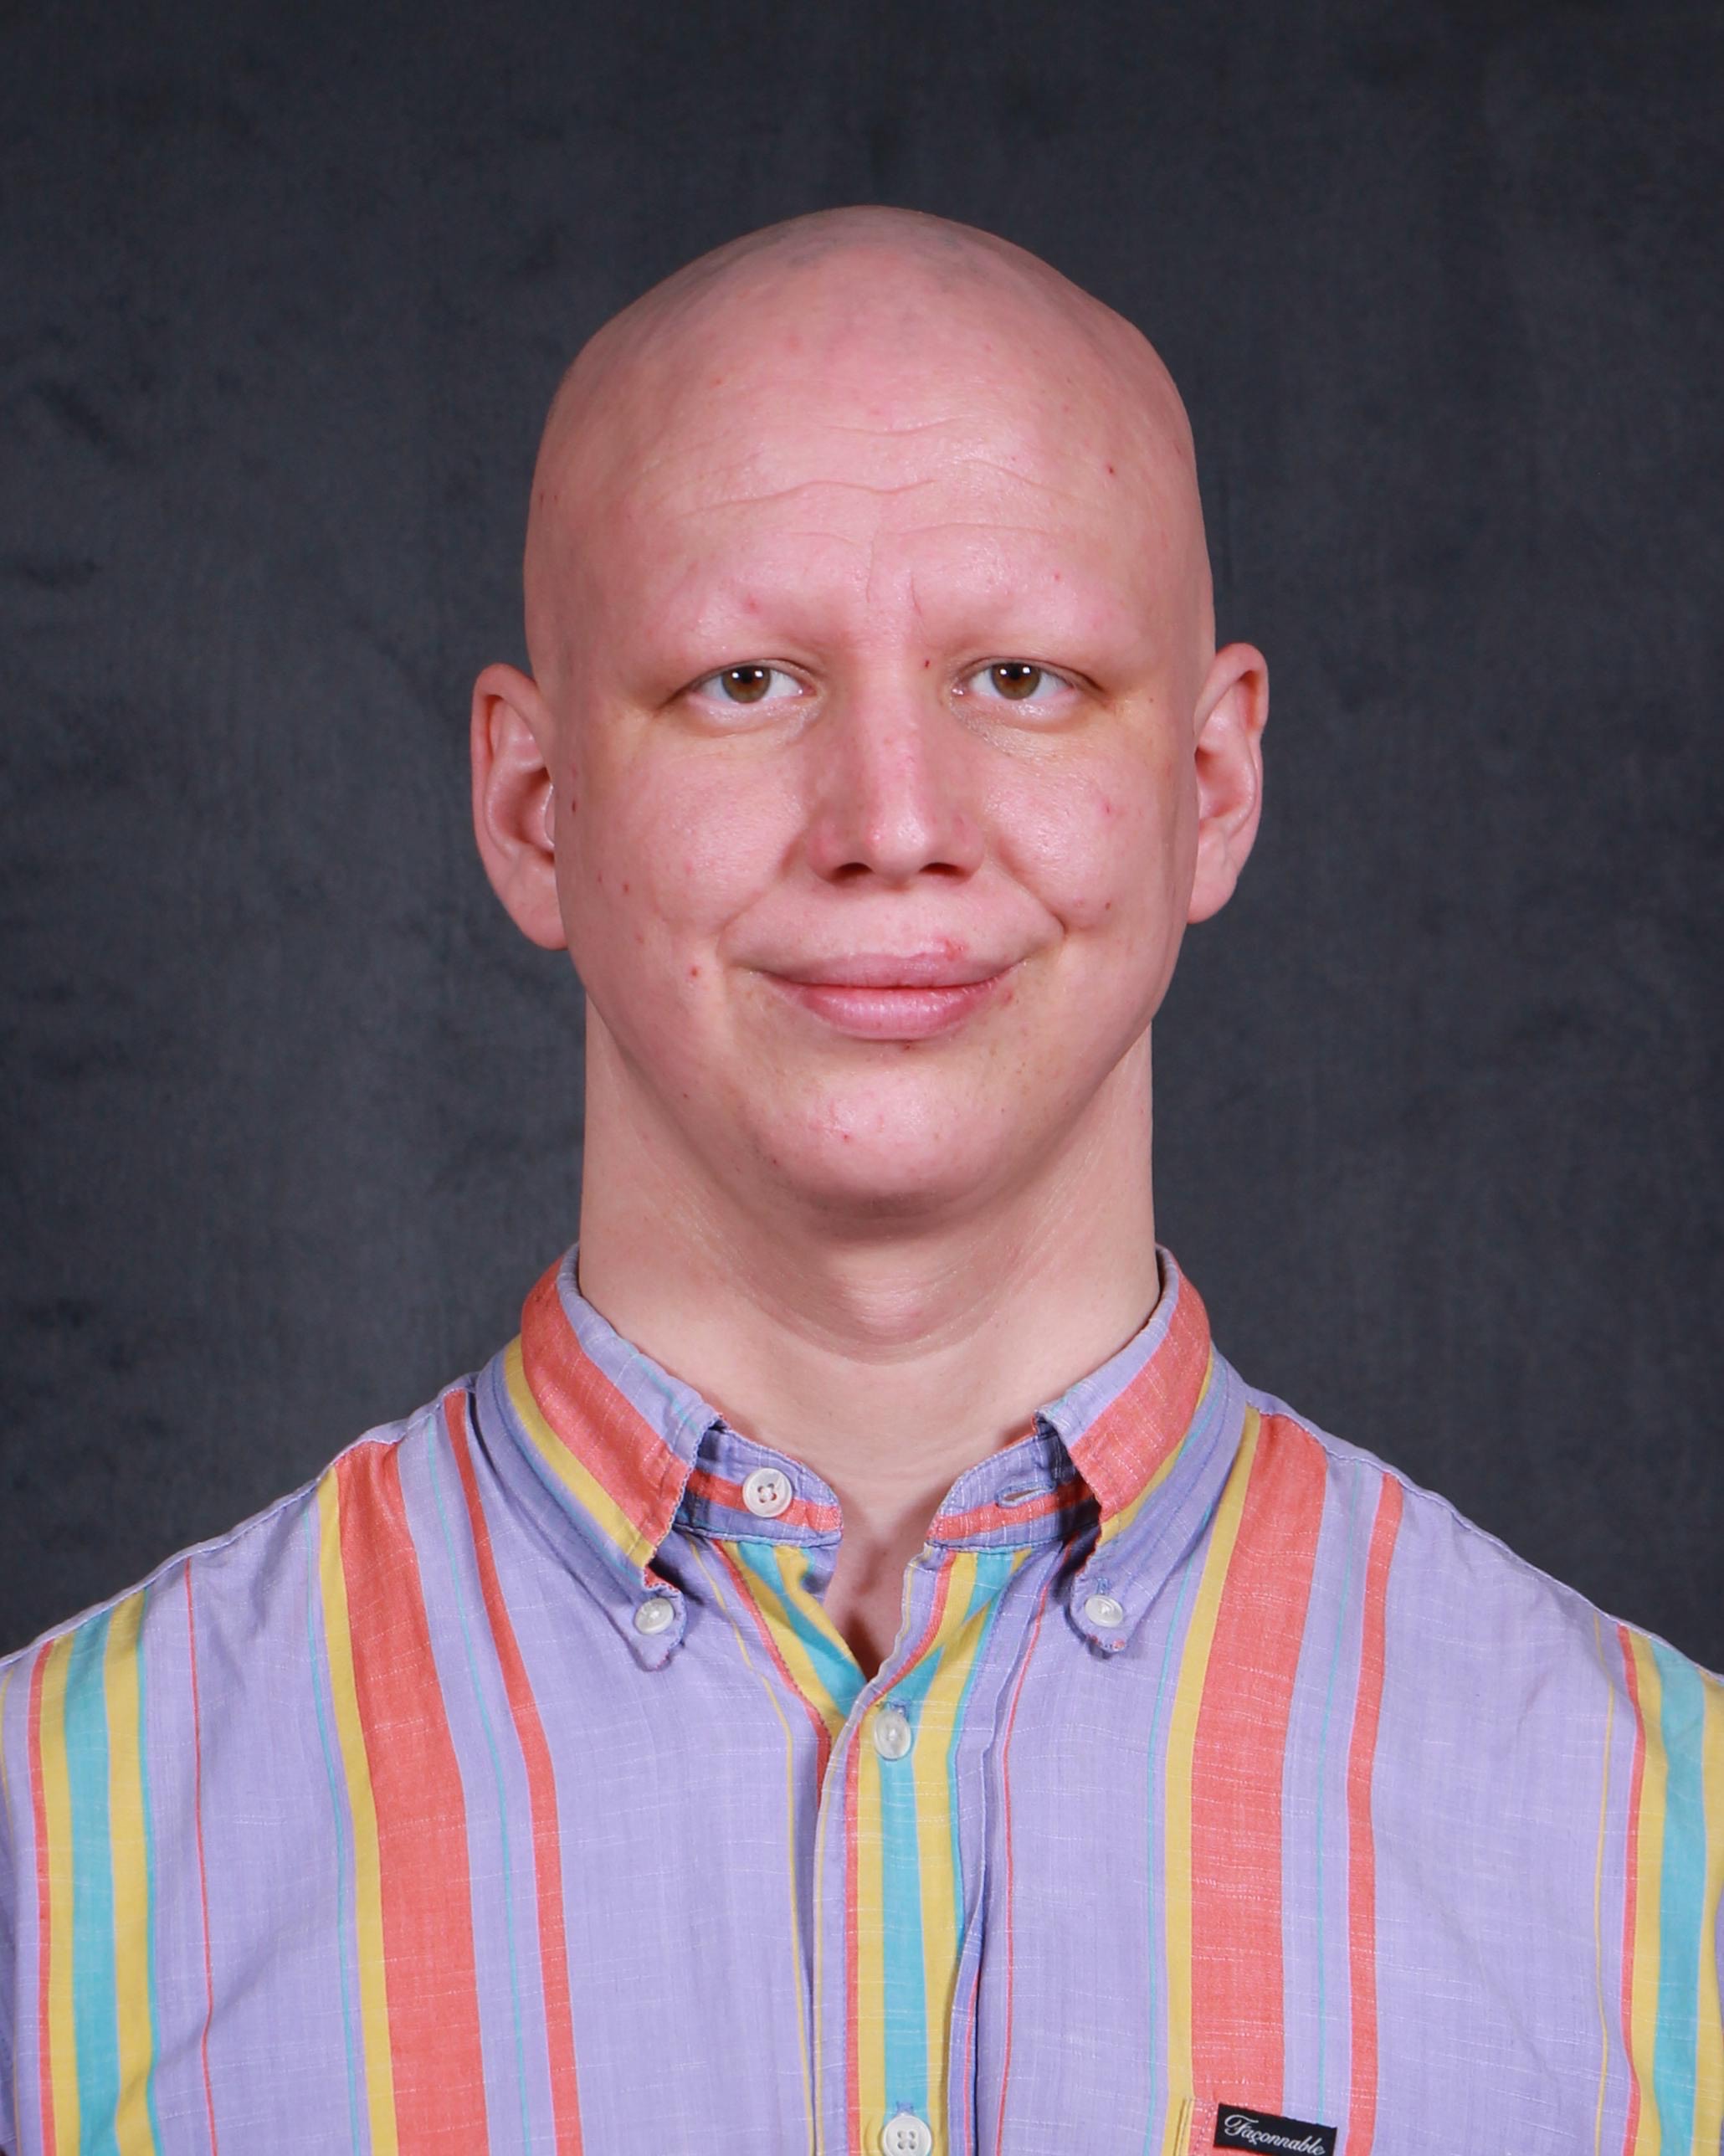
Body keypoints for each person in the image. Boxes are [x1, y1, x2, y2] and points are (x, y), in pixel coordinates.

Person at [0, 207, 1717, 2156]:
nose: (892, 822)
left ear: (1213, 786)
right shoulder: (46, 1880)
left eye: (1021, 675)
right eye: (744, 680)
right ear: (532, 808)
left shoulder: (1671, 1880)